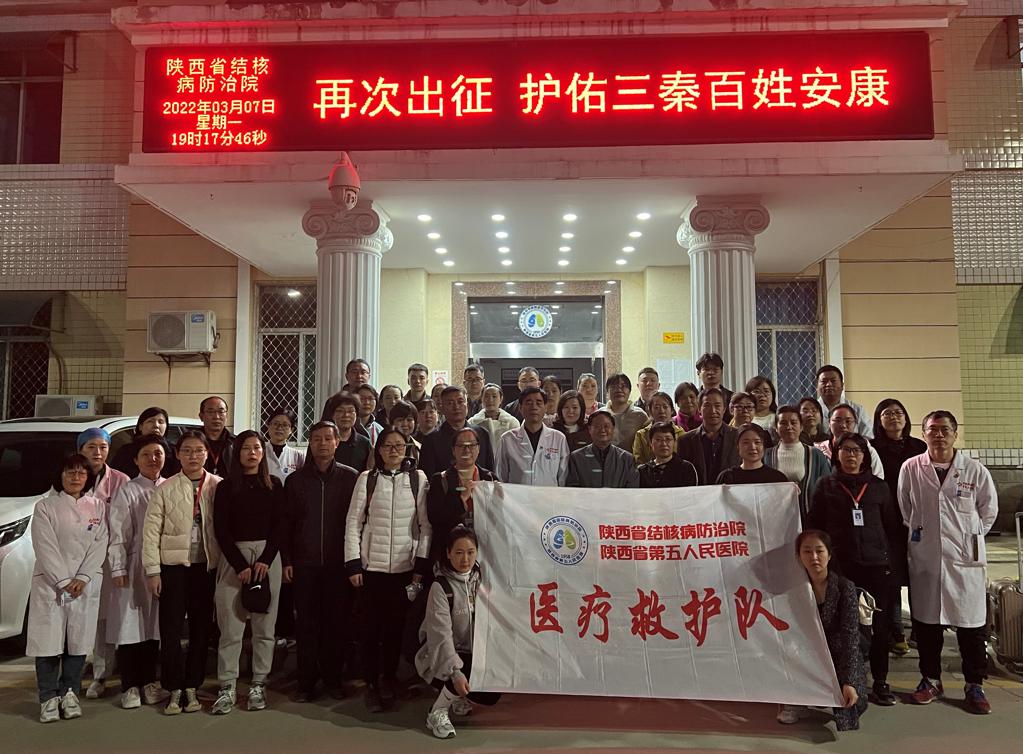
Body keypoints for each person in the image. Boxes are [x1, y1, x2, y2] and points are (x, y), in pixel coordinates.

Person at [898, 410, 998, 714]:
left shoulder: (975, 470)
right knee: (927, 625)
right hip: (927, 556)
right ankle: (931, 680)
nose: (939, 435)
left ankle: (974, 684)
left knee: (971, 627)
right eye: (932, 429)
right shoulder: (911, 468)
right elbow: (906, 507)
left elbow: (989, 511)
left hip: (965, 559)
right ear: (924, 434)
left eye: (945, 430)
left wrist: (969, 537)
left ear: (955, 434)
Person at [807, 432, 902, 707]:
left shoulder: (880, 487)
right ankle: (842, 681)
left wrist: (892, 566)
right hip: (840, 568)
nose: (851, 455)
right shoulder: (826, 485)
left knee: (879, 627)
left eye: (857, 450)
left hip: (876, 568)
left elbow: (892, 529)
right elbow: (815, 526)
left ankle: (880, 681)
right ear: (837, 454)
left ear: (865, 456)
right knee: (841, 627)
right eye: (846, 450)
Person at [345, 429, 432, 712]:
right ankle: (371, 683)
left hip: (404, 569)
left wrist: (420, 565)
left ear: (407, 448)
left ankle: (389, 679)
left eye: (399, 445)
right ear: (379, 450)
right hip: (372, 569)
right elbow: (353, 523)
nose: (394, 450)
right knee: (370, 629)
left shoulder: (417, 479)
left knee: (396, 628)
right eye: (388, 446)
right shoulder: (367, 479)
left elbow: (425, 526)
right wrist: (353, 563)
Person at [142, 430, 221, 715]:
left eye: (198, 450)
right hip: (172, 568)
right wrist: (153, 571)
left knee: (201, 629)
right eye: (187, 450)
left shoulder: (218, 486)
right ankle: (174, 687)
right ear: (178, 454)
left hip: (206, 567)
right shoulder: (165, 488)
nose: (193, 456)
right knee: (171, 629)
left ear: (207, 454)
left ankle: (192, 685)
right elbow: (151, 532)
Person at [27, 453, 108, 723]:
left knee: (78, 641)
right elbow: (44, 545)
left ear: (88, 477)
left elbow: (100, 543)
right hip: (51, 585)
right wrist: (63, 581)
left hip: (84, 584)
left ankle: (70, 692)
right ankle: (48, 697)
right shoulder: (45, 507)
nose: (76, 477)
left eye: (81, 473)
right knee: (48, 642)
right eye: (70, 472)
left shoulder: (97, 506)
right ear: (60, 476)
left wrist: (83, 577)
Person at [211, 431, 287, 715]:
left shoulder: (274, 485)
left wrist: (266, 559)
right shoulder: (226, 487)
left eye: (257, 448)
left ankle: (258, 682)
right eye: (246, 448)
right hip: (235, 558)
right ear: (237, 453)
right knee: (231, 626)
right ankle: (227, 685)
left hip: (268, 558)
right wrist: (240, 565)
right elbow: (221, 528)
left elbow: (281, 525)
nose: (252, 453)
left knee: (265, 626)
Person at [284, 421, 360, 703]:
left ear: (337, 442)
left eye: (328, 438)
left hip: (338, 565)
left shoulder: (350, 478)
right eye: (317, 439)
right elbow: (287, 524)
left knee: (336, 624)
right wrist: (288, 560)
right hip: (304, 564)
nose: (323, 444)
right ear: (310, 443)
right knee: (306, 624)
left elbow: (357, 523)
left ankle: (333, 680)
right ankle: (306, 683)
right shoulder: (296, 481)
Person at [778, 530, 866, 731]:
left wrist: (850, 681)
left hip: (839, 654)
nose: (814, 557)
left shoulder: (844, 587)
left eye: (819, 551)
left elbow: (851, 637)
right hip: (807, 652)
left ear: (829, 554)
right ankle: (796, 702)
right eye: (807, 551)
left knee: (851, 703)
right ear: (799, 557)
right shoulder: (795, 590)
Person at [417, 526, 500, 739]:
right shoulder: (441, 587)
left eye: (471, 552)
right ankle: (437, 711)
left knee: (492, 693)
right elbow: (440, 637)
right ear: (448, 553)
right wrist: (455, 672)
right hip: (438, 655)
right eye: (459, 553)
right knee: (465, 671)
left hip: (471, 652)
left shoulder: (480, 580)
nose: (465, 559)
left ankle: (456, 696)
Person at [107, 435, 166, 710]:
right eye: (146, 454)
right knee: (130, 627)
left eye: (158, 453)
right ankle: (130, 685)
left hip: (164, 567)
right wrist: (118, 566)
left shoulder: (170, 486)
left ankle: (149, 682)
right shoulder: (128, 491)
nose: (153, 459)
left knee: (154, 627)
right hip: (133, 566)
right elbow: (119, 532)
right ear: (135, 460)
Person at [870, 398, 927, 657]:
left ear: (905, 417)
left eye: (898, 412)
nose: (893, 417)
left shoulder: (919, 447)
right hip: (886, 520)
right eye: (887, 413)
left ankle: (920, 629)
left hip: (917, 519)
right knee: (891, 577)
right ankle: (896, 632)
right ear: (879, 420)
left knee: (919, 574)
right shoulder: (873, 448)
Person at [77, 428, 129, 699]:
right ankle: (73, 674)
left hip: (108, 559)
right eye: (91, 447)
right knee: (78, 618)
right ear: (80, 449)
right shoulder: (72, 477)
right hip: (77, 559)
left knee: (104, 619)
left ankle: (101, 675)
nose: (98, 453)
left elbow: (123, 524)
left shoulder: (120, 480)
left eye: (103, 447)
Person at [426, 428, 497, 562]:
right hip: (451, 551)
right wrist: (461, 499)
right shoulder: (440, 480)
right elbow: (435, 518)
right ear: (453, 450)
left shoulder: (490, 478)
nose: (467, 450)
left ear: (479, 449)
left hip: (484, 551)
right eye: (461, 445)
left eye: (471, 445)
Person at [764, 406, 832, 520]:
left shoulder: (816, 454)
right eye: (783, 423)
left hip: (809, 517)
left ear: (801, 427)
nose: (789, 427)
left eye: (793, 422)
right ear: (776, 427)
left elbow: (827, 487)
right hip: (776, 518)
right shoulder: (767, 455)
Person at [495, 386, 570, 487]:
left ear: (545, 407)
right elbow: (500, 476)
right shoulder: (507, 439)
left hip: (550, 496)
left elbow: (563, 477)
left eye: (539, 403)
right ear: (520, 408)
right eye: (528, 403)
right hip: (517, 496)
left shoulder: (558, 438)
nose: (534, 407)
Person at [419, 386, 495, 478]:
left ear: (467, 405)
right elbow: (427, 478)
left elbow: (490, 473)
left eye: (460, 401)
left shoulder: (482, 434)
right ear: (441, 408)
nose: (456, 407)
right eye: (450, 403)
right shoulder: (431, 440)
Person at [677, 388, 740, 485]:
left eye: (717, 405)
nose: (713, 410)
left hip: (731, 492)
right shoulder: (685, 441)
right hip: (698, 493)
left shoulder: (738, 436)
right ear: (699, 409)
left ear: (724, 409)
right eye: (707, 405)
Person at [566, 410, 639, 488]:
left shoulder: (627, 459)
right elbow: (572, 489)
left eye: (606, 426)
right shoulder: (576, 458)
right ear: (589, 429)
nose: (602, 430)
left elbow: (632, 490)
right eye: (597, 426)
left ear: (613, 429)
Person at [816, 405, 885, 479]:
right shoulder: (819, 450)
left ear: (855, 424)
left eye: (848, 421)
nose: (843, 425)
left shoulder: (866, 449)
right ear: (829, 423)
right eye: (838, 420)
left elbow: (878, 477)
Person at [110, 407, 180, 478]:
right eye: (150, 421)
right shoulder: (126, 451)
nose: (156, 425)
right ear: (140, 426)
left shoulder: (174, 452)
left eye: (161, 422)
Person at [715, 424, 789, 485]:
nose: (752, 447)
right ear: (737, 446)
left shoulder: (778, 478)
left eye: (757, 442)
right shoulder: (726, 477)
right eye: (746, 442)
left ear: (763, 445)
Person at [816, 365, 872, 438]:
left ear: (842, 385)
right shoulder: (811, 411)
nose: (829, 384)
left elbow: (868, 437)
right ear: (817, 387)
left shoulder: (857, 409)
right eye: (824, 381)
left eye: (833, 381)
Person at [638, 422, 698, 488]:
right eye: (658, 440)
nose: (663, 444)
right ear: (650, 443)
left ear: (674, 442)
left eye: (668, 439)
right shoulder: (643, 471)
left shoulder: (686, 468)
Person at [632, 391, 685, 465]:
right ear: (650, 411)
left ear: (672, 410)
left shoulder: (681, 433)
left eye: (665, 407)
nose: (661, 411)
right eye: (656, 407)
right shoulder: (641, 435)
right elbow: (638, 462)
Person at [324, 391, 371, 471]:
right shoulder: (322, 440)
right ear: (332, 415)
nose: (346, 415)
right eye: (340, 411)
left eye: (351, 411)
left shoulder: (364, 443)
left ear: (356, 415)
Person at [603, 373, 651, 452]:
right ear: (607, 391)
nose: (619, 390)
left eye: (623, 386)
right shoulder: (599, 415)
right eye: (614, 386)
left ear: (629, 391)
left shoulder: (640, 415)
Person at [468, 383, 519, 452]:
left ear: (501, 399)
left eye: (494, 396)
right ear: (481, 399)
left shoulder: (512, 422)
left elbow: (516, 449)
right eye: (486, 396)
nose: (490, 400)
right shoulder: (472, 422)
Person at [265, 408, 303, 483]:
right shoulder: (260, 451)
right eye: (276, 424)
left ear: (291, 429)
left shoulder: (298, 456)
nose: (279, 428)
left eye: (285, 425)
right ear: (268, 426)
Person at [199, 396, 235, 476]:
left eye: (221, 412)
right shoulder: (191, 442)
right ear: (201, 416)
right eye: (211, 412)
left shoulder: (235, 443)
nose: (216, 417)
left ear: (226, 416)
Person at [696, 352, 733, 420]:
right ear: (698, 373)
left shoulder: (731, 397)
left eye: (715, 369)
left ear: (721, 372)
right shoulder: (694, 397)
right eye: (706, 369)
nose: (711, 372)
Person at [389, 400, 423, 468]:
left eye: (409, 420)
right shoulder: (382, 447)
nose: (405, 424)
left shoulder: (420, 448)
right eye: (400, 420)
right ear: (392, 422)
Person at [745, 375, 778, 440]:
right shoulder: (744, 418)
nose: (762, 395)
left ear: (773, 395)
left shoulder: (778, 418)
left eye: (766, 391)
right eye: (757, 391)